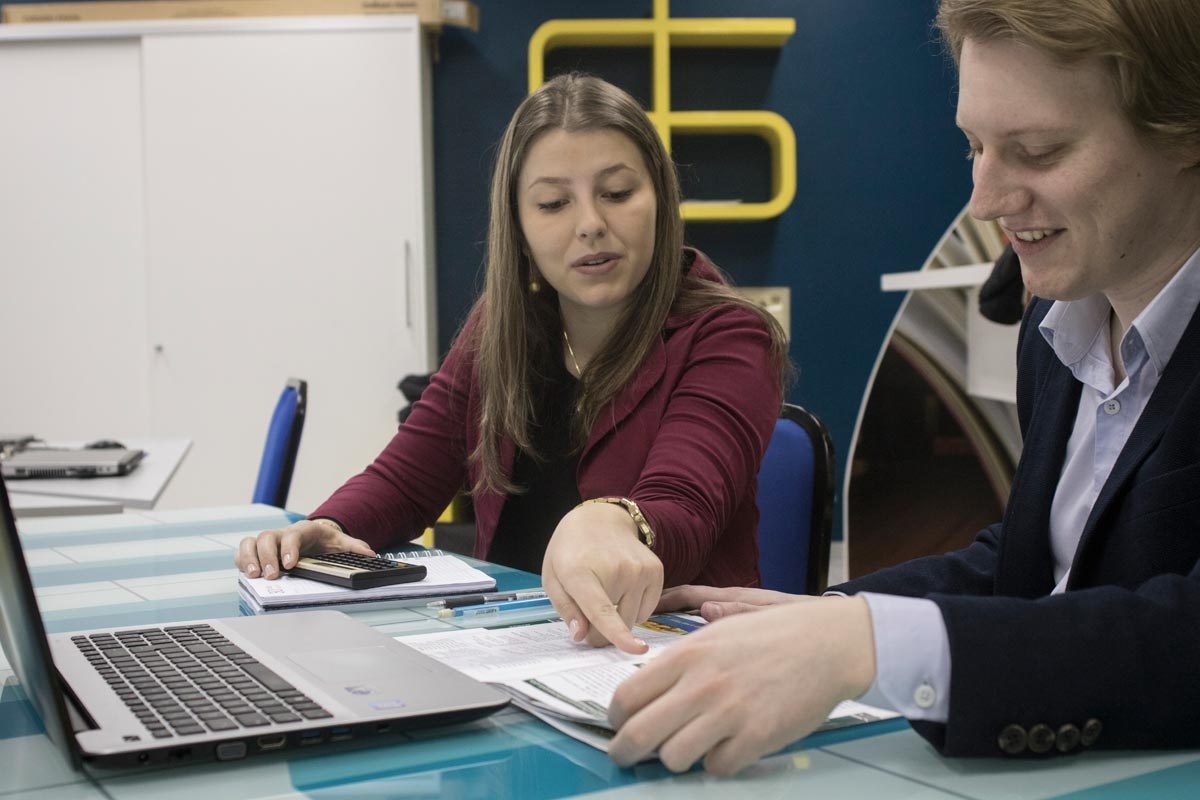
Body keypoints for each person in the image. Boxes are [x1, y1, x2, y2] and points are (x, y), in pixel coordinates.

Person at [608, 0, 1200, 775]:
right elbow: (1043, 562)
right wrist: (841, 618)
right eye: (975, 147)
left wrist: (875, 647)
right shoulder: (1057, 327)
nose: (987, 200)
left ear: (1186, 130)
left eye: (1038, 151)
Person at [236, 73, 790, 653]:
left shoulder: (731, 336)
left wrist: (613, 519)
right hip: (516, 653)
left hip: (676, 659)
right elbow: (406, 478)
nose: (590, 223)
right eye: (553, 203)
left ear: (661, 201)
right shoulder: (502, 327)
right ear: (519, 226)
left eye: (618, 193)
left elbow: (685, 507)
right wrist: (332, 526)